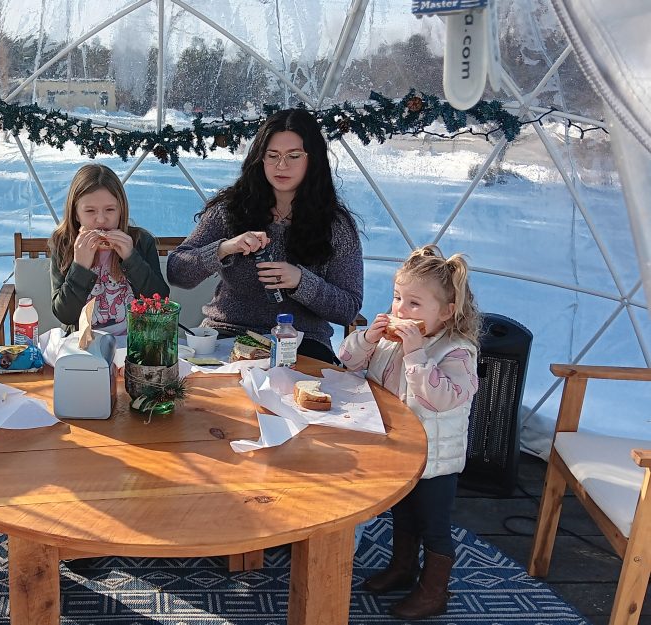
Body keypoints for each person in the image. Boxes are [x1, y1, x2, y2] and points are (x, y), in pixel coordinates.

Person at [338, 244, 480, 619]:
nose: (401, 309)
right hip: (397, 448)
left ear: (447, 311)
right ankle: (402, 568)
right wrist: (368, 339)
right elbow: (347, 362)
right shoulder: (388, 338)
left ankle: (435, 592)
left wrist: (416, 355)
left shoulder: (457, 351)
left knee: (433, 524)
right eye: (398, 298)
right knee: (402, 513)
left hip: (435, 458)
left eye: (414, 303)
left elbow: (442, 398)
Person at [166, 108, 363, 364]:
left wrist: (301, 281)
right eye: (273, 155)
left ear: (312, 159)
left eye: (294, 156)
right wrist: (224, 249)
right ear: (260, 158)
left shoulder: (336, 225)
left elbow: (348, 308)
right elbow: (177, 272)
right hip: (228, 337)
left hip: (302, 344)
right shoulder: (230, 210)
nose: (282, 166)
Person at [49, 163, 169, 334]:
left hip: (135, 343)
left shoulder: (140, 241)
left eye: (110, 209)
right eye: (90, 211)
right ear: (75, 213)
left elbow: (159, 302)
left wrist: (131, 258)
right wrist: (80, 267)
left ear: (121, 210)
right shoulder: (64, 244)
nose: (101, 219)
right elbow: (64, 315)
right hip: (82, 347)